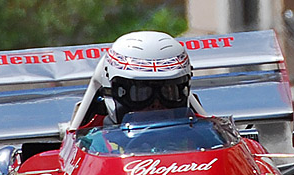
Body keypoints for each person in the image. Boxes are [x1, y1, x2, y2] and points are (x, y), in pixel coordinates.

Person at [69, 31, 207, 130]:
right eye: (141, 93)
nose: (157, 105)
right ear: (112, 92)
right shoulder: (96, 147)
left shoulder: (206, 142)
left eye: (169, 92)